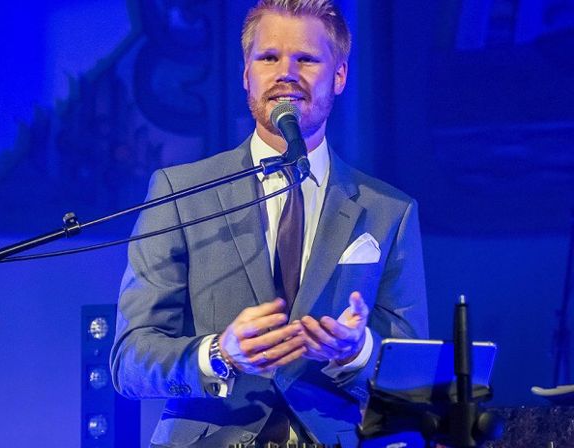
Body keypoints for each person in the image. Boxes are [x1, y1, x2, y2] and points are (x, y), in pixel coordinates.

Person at [110, 0, 428, 446]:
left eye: (307, 59)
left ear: (339, 76)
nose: (286, 73)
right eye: (269, 58)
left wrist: (358, 353)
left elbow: (415, 379)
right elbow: (128, 362)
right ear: (246, 74)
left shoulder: (388, 211)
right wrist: (220, 353)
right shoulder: (180, 193)